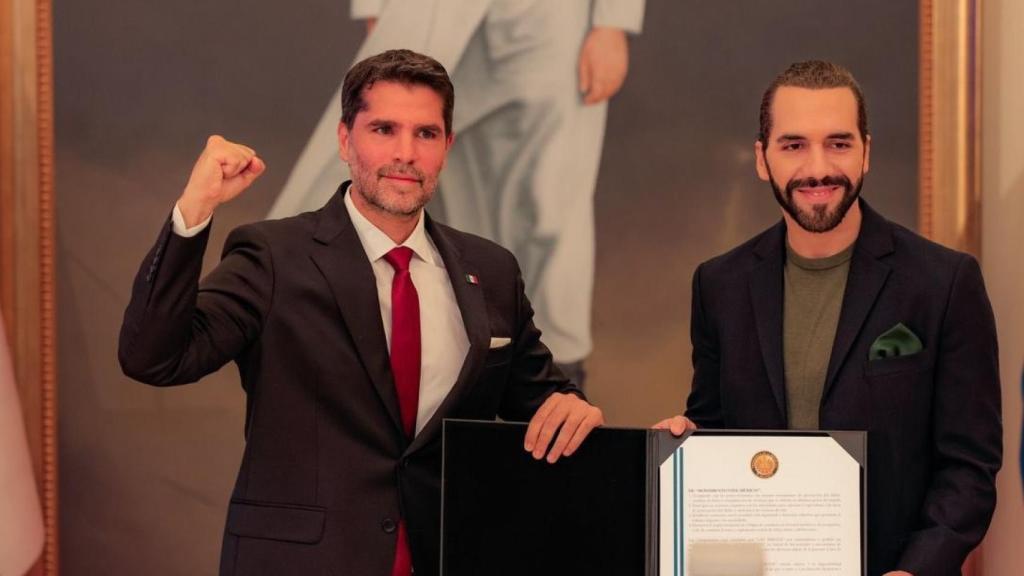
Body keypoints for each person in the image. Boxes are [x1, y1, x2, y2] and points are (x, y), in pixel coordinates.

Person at [119, 49, 603, 576]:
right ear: (346, 140)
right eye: (384, 129)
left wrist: (573, 407)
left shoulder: (491, 269)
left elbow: (545, 401)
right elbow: (154, 358)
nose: (406, 153)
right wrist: (195, 209)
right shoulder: (274, 255)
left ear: (448, 146)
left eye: (426, 134)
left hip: (448, 555)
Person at [655, 61, 1002, 575]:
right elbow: (716, 428)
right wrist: (686, 443)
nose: (818, 168)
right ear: (762, 158)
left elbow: (970, 467)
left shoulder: (944, 283)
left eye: (838, 144)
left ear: (866, 153)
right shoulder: (718, 285)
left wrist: (916, 569)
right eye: (793, 145)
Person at [268, 0, 646, 386]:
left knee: (551, 204)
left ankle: (558, 379)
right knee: (416, 179)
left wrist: (612, 21)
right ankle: (292, 305)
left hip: (552, 19)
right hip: (433, 10)